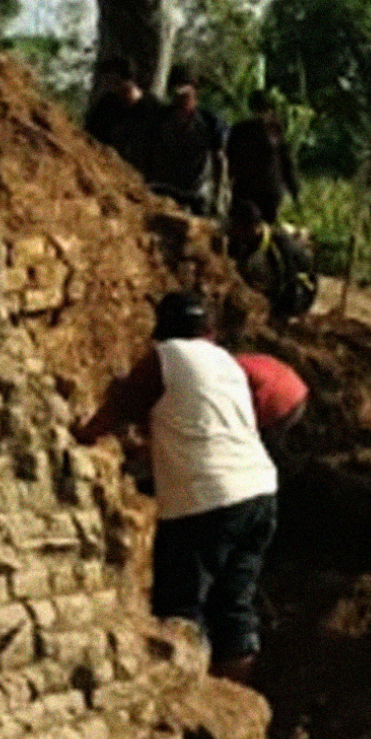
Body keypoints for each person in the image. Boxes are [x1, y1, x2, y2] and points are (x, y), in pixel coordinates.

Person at [72, 291, 277, 682]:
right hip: (260, 490)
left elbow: (118, 409)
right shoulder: (229, 364)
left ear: (161, 331)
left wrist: (81, 436)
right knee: (235, 602)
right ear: (208, 331)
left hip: (207, 500)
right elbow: (204, 427)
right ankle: (236, 695)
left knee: (182, 604)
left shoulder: (165, 359)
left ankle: (188, 697)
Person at [140, 65, 228, 216]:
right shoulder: (158, 119)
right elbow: (145, 152)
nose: (180, 93)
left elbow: (219, 160)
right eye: (175, 87)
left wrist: (218, 198)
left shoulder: (210, 122)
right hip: (161, 192)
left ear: (195, 90)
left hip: (195, 196)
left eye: (184, 87)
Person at [226, 198, 318, 319]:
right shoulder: (243, 243)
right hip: (269, 288)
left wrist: (273, 311)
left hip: (296, 292)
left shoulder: (279, 244)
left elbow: (288, 279)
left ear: (253, 227)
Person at [225, 90, 300, 225]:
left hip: (267, 192)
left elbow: (286, 162)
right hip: (247, 191)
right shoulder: (241, 131)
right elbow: (230, 159)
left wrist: (294, 190)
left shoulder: (274, 131)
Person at [83, 56, 158, 170]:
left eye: (112, 77)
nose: (108, 81)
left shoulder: (152, 107)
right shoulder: (106, 105)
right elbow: (90, 134)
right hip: (105, 168)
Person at [235, 352, 309, 460]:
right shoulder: (245, 360)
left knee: (256, 447)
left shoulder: (231, 371)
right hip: (297, 392)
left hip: (278, 401)